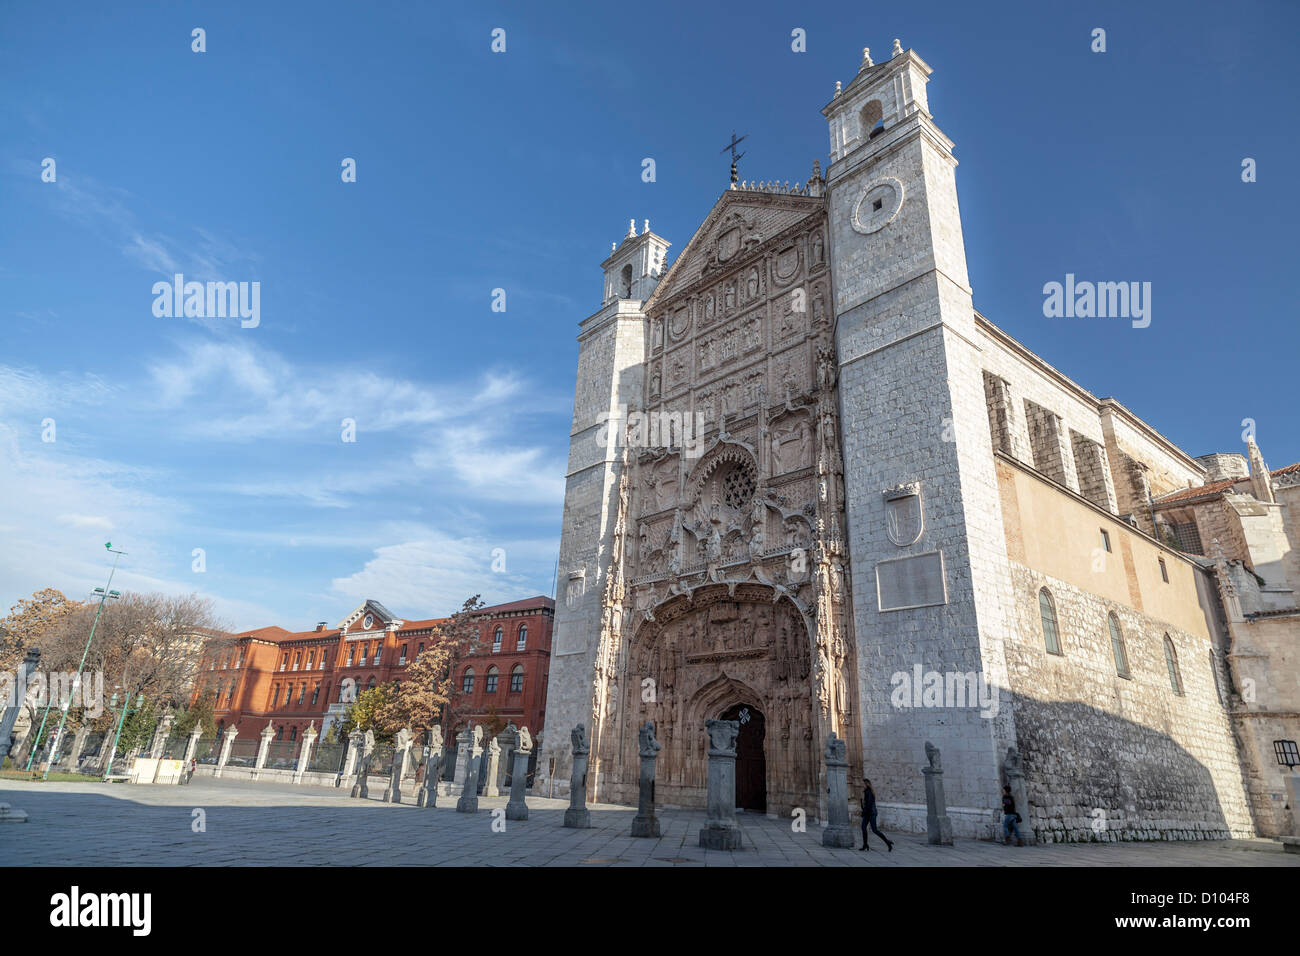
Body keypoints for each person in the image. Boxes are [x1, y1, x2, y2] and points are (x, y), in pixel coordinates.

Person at [860, 779, 893, 851]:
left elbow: (869, 805)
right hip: (867, 813)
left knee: (874, 830)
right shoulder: (866, 792)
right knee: (863, 827)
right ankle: (865, 845)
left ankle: (888, 842)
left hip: (871, 813)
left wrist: (863, 812)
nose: (861, 785)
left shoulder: (869, 792)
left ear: (866, 784)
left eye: (862, 784)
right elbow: (865, 804)